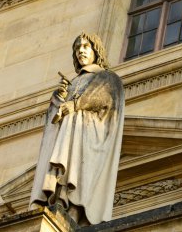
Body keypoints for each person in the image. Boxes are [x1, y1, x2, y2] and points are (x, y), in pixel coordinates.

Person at [29, 32, 124, 225]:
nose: (81, 50)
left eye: (85, 46)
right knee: (62, 170)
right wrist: (59, 98)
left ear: (96, 51)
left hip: (86, 136)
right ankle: (58, 203)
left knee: (78, 174)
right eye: (77, 48)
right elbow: (56, 114)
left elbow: (104, 96)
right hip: (67, 135)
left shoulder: (107, 78)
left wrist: (75, 105)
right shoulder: (75, 81)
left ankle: (73, 210)